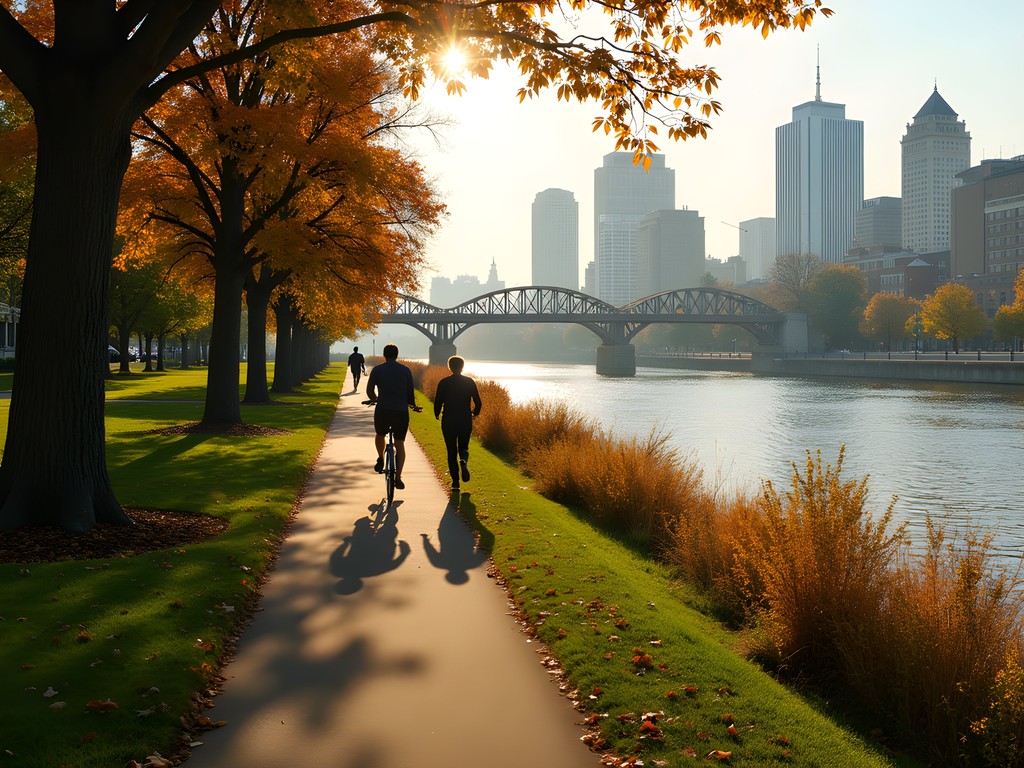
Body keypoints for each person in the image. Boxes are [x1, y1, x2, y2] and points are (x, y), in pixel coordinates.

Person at [365, 344, 421, 489]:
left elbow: (370, 390)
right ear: (397, 355)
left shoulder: (377, 370)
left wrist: (374, 398)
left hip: (383, 409)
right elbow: (410, 393)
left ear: (384, 355)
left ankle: (381, 458)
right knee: (400, 443)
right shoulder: (405, 370)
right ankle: (398, 477)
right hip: (400, 411)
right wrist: (412, 405)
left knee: (379, 434)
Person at [433, 355, 482, 492]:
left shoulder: (444, 382)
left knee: (451, 451)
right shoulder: (469, 382)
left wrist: (436, 413)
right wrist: (475, 413)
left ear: (449, 366)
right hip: (465, 418)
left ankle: (455, 482)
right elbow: (478, 402)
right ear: (462, 367)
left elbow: (438, 401)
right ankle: (464, 461)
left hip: (449, 419)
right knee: (464, 446)